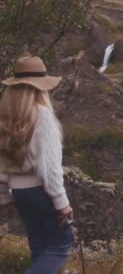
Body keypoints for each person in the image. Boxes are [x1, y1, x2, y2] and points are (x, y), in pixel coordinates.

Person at [0, 56, 74, 273]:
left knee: (40, 245)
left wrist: (3, 195)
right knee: (60, 245)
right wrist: (62, 203)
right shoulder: (42, 116)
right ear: (40, 88)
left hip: (20, 195)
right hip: (40, 193)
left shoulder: (5, 117)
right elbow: (49, 168)